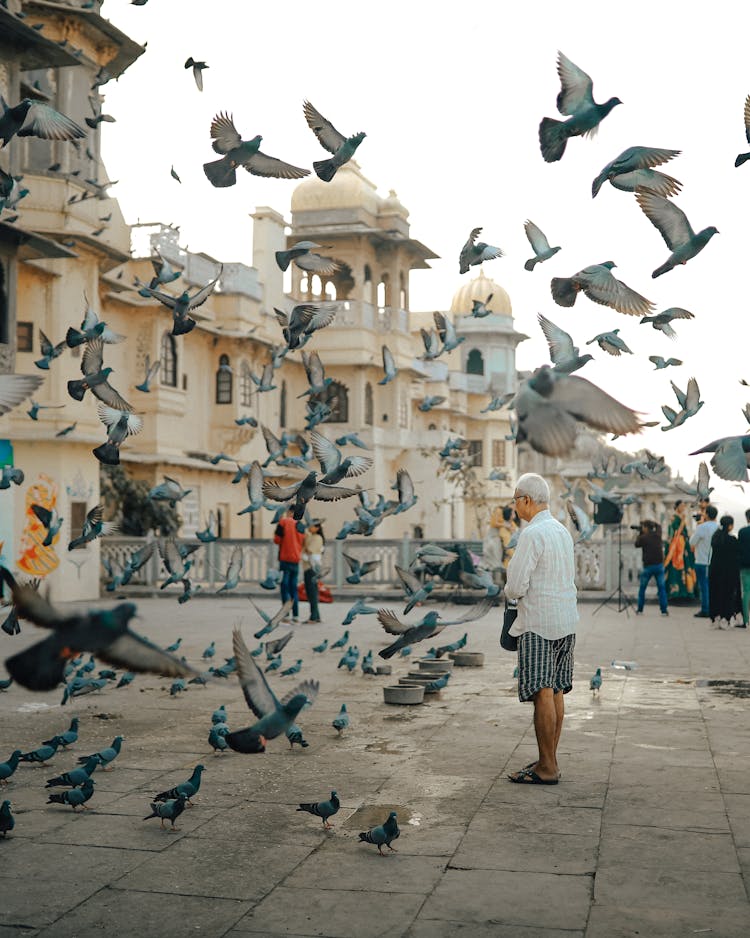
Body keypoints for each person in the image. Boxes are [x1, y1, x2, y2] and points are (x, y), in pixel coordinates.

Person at [505, 472, 578, 785]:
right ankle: (550, 759)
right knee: (557, 690)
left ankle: (547, 766)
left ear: (525, 500)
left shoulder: (532, 533)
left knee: (542, 693)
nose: (515, 506)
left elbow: (515, 586)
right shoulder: (561, 530)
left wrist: (511, 592)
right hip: (565, 620)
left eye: (515, 500)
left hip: (539, 623)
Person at [709, 515, 742, 629]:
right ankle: (725, 618)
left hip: (714, 570)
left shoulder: (716, 538)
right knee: (727, 595)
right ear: (730, 526)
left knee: (715, 594)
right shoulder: (732, 540)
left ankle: (715, 617)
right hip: (728, 572)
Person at [274, 508, 304, 623]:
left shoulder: (283, 522)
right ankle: (296, 616)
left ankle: (285, 615)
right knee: (293, 588)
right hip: (296, 560)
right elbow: (303, 541)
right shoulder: (301, 525)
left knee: (284, 587)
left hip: (285, 559)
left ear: (289, 512)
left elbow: (277, 540)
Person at [664, 501, 698, 603]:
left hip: (683, 544)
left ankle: (687, 591)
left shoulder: (682, 516)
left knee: (686, 565)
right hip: (677, 545)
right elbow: (674, 531)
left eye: (684, 506)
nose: (683, 507)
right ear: (677, 506)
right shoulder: (674, 517)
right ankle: (675, 592)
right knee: (675, 567)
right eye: (682, 506)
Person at [690, 505, 719, 618]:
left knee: (704, 586)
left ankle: (705, 609)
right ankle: (713, 608)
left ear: (706, 514)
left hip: (702, 561)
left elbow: (692, 542)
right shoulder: (718, 527)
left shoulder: (702, 527)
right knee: (713, 586)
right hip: (714, 561)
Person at [635, 520, 668, 615]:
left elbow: (636, 544)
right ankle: (664, 610)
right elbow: (659, 526)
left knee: (642, 589)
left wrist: (640, 532)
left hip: (648, 567)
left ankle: (640, 609)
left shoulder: (643, 538)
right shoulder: (657, 535)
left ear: (645, 527)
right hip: (659, 566)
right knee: (662, 589)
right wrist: (652, 523)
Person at [301, 519, 325, 624]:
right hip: (308, 567)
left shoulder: (317, 538)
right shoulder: (311, 537)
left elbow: (309, 550)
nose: (309, 528)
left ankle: (313, 617)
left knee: (312, 592)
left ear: (317, 528)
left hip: (312, 568)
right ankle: (316, 616)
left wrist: (304, 545)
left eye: (312, 526)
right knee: (311, 592)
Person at [738, 509, 750, 627]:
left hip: (745, 566)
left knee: (746, 592)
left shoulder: (742, 532)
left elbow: (739, 549)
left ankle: (746, 620)